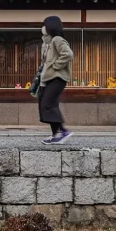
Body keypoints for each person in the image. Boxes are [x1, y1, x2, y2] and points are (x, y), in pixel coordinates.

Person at [35, 15, 75, 143]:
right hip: (48, 78)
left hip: (57, 78)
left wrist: (56, 66)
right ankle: (56, 134)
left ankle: (63, 132)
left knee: (48, 104)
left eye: (45, 25)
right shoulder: (47, 43)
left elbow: (68, 54)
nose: (43, 27)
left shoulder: (57, 40)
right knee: (47, 105)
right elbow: (45, 62)